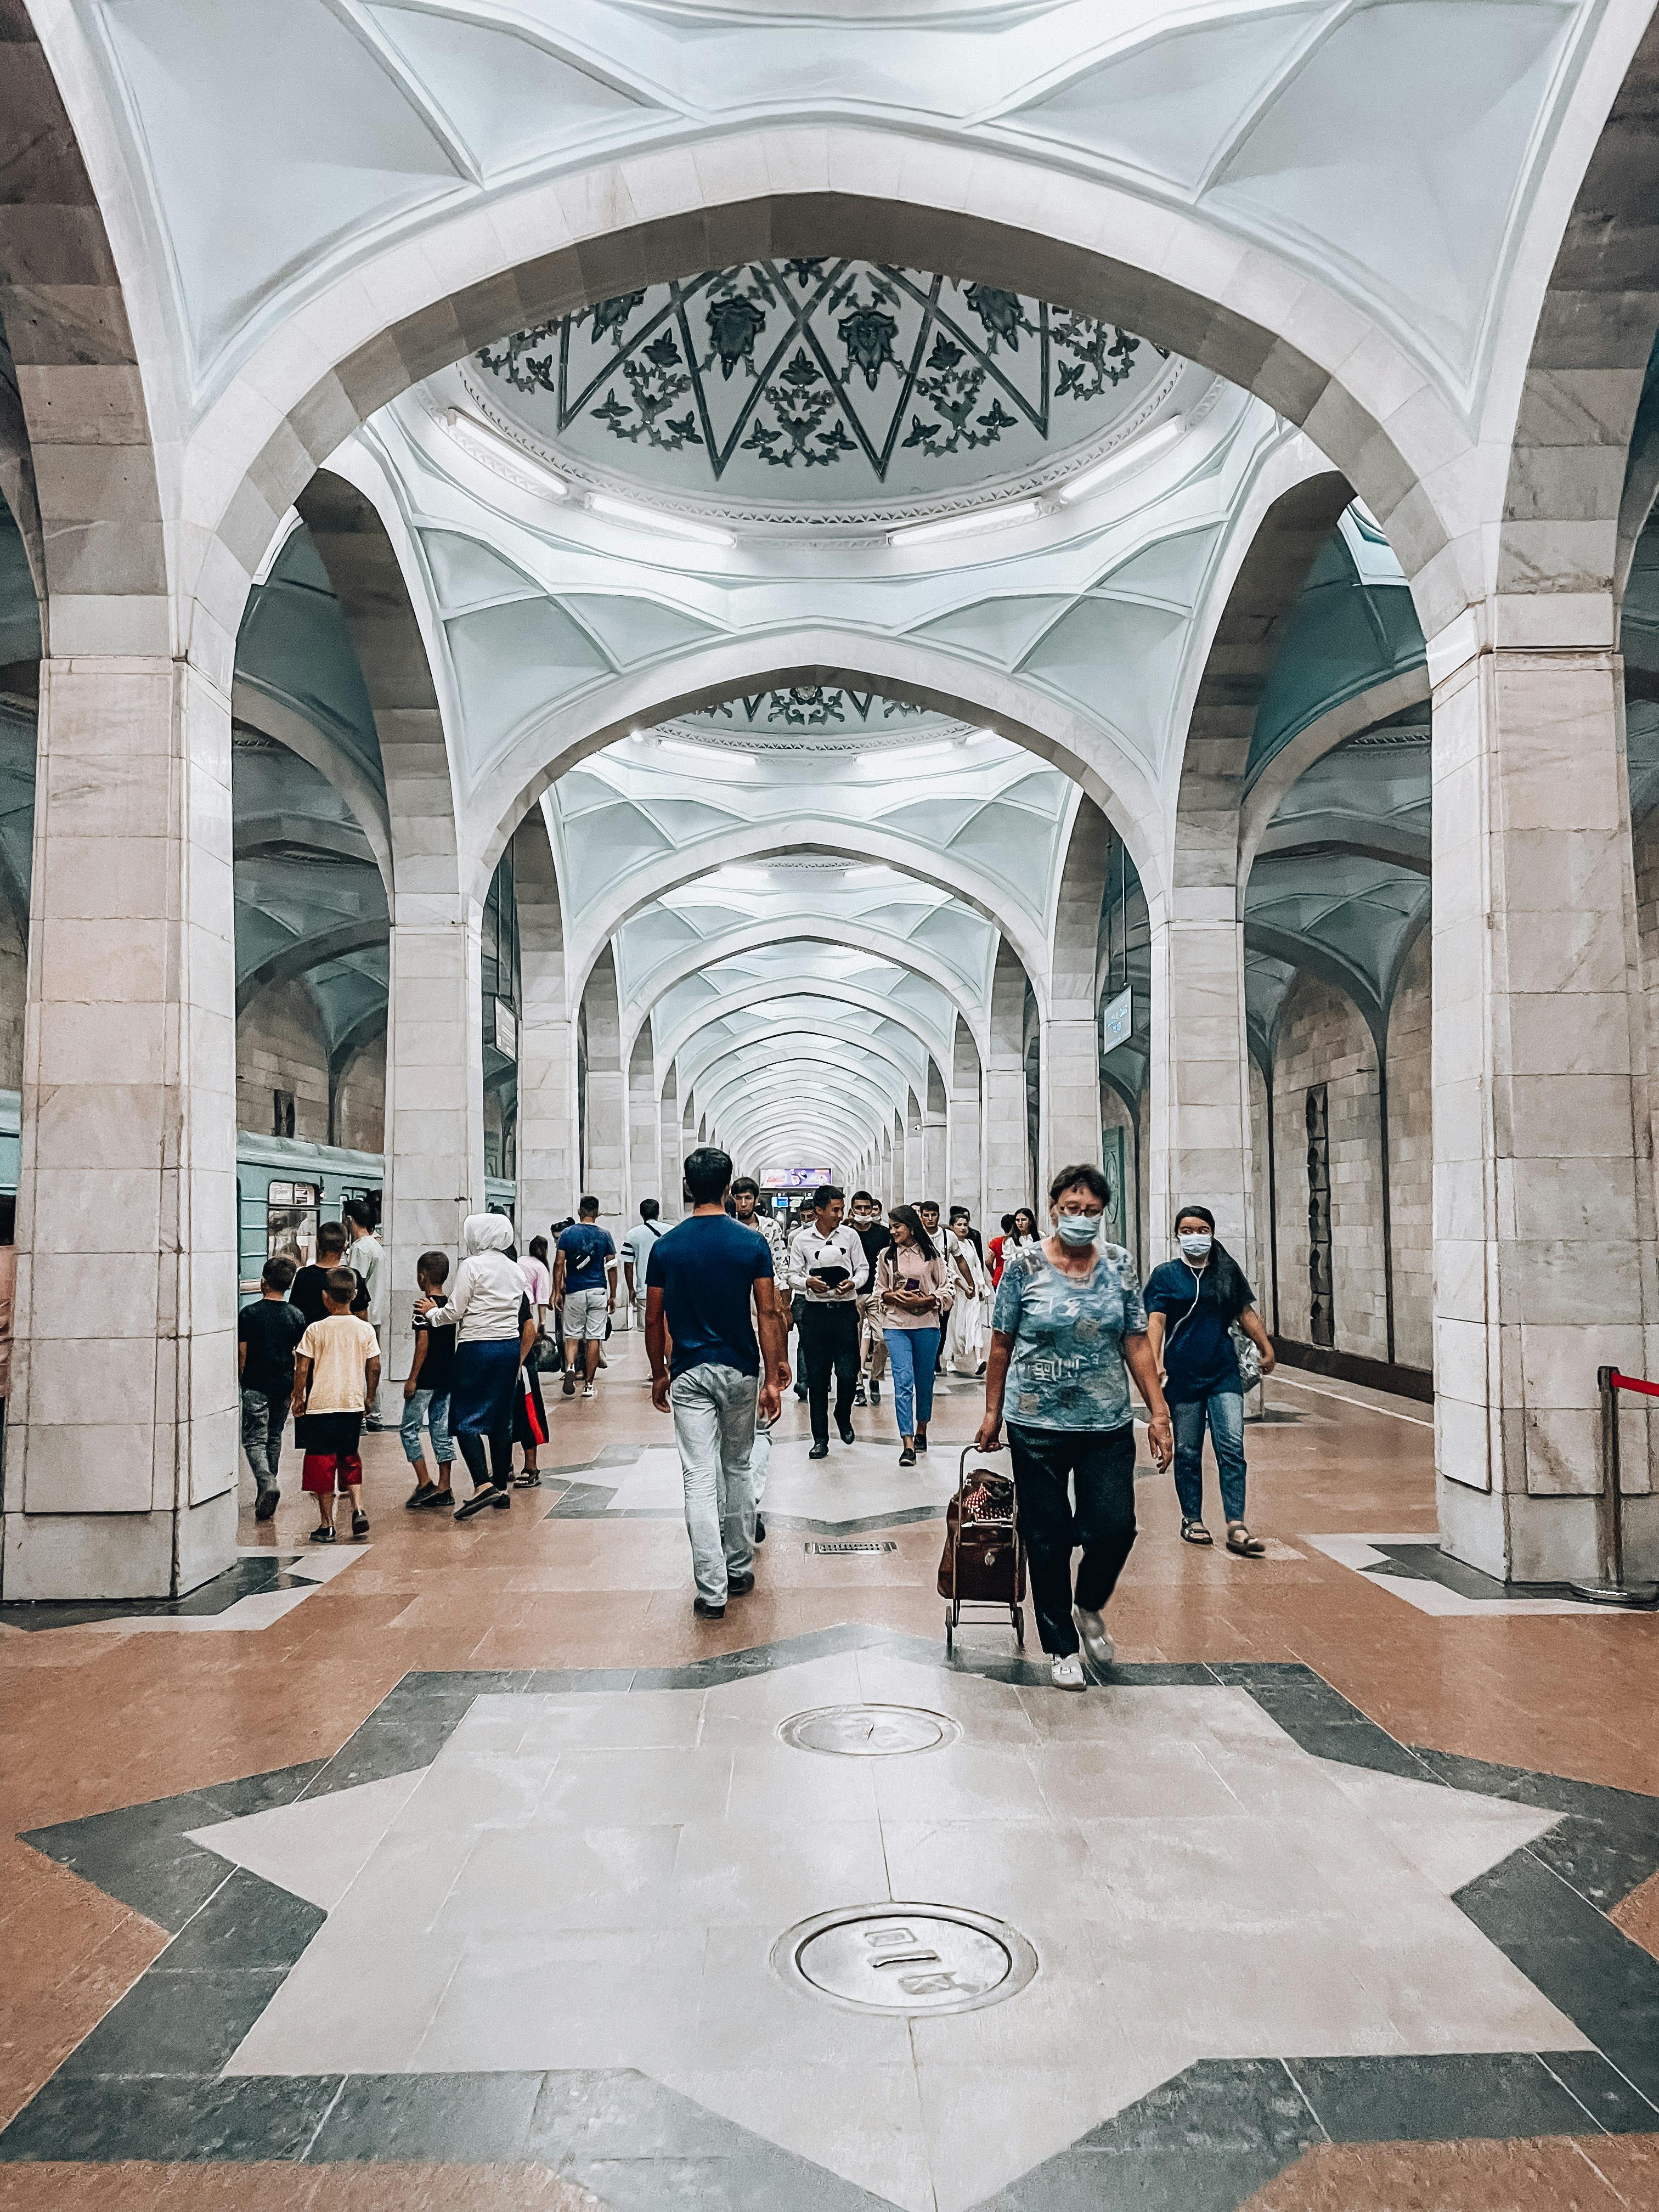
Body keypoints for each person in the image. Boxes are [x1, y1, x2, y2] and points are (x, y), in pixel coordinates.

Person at [975, 1164, 1173, 1692]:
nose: (1081, 1219)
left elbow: (1136, 1340)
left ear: (1102, 1213)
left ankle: (1088, 1605)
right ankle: (1060, 1643)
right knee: (1047, 1536)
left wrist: (1158, 1412)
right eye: (1071, 1209)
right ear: (1053, 1207)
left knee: (1114, 1527)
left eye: (1090, 1211)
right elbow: (1002, 1342)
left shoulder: (1120, 1265)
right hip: (1036, 1421)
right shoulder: (1024, 1265)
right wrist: (992, 1414)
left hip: (1105, 1418)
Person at [646, 1146, 788, 1618]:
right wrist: (774, 1373)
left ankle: (711, 1591)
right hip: (740, 1368)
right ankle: (739, 1566)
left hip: (688, 1372)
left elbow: (653, 1319)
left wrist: (658, 1373)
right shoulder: (750, 1243)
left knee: (698, 1478)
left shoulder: (666, 1246)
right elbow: (768, 1312)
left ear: (688, 1187)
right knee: (739, 1466)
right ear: (729, 1188)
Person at [1144, 1204, 1276, 1556]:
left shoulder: (1226, 1272)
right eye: (1187, 1230)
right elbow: (1156, 1322)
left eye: (1202, 1230)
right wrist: (1156, 1363)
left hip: (1223, 1373)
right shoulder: (1166, 1276)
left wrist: (1266, 1347)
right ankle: (1192, 1519)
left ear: (1212, 1233)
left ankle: (1236, 1523)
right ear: (1177, 1236)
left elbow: (1244, 1312)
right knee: (1188, 1451)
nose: (1195, 1236)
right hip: (1184, 1377)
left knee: (1231, 1446)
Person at [416, 1214, 528, 1521]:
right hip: (508, 1347)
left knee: (464, 1419)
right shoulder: (515, 1270)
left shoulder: (472, 1266)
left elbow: (455, 1311)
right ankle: (502, 1490)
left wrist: (432, 1313)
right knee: (501, 1419)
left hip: (476, 1348)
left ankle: (482, 1484)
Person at [291, 1267, 381, 1544]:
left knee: (322, 1462)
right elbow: (374, 1366)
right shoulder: (365, 1329)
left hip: (321, 1406)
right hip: (352, 1405)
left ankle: (327, 1524)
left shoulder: (315, 1330)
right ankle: (358, 1507)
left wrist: (299, 1396)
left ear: (325, 1297)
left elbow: (302, 1368)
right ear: (354, 1295)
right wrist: (369, 1397)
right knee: (349, 1456)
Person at [787, 1183, 869, 1459]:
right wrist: (807, 1282)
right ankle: (820, 1438)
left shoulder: (850, 1236)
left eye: (841, 1208)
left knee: (848, 1374)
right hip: (816, 1315)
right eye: (835, 1209)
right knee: (818, 1379)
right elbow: (792, 1274)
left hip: (845, 1313)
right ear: (819, 1210)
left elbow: (863, 1268)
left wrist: (853, 1283)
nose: (840, 1214)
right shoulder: (801, 1240)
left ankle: (842, 1414)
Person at [873, 1205, 955, 1465]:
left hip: (927, 1324)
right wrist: (892, 1296)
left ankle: (922, 1429)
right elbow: (879, 1289)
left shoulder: (931, 1255)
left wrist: (930, 1300)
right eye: (891, 1226)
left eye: (897, 1226)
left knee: (924, 1380)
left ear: (910, 1227)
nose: (893, 1231)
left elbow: (947, 1289)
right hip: (896, 1325)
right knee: (903, 1380)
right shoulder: (886, 1256)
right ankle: (907, 1442)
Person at [239, 1254, 306, 1523]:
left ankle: (266, 1483)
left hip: (256, 1383)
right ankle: (269, 1485)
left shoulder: (250, 1314)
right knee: (275, 1436)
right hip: (284, 1385)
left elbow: (242, 1354)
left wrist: (242, 1380)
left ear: (264, 1282)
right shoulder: (296, 1315)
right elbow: (300, 1357)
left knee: (254, 1439)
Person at [403, 1249, 456, 1509]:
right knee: (441, 1430)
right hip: (447, 1377)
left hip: (425, 1379)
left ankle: (425, 1482)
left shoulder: (421, 1307)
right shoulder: (451, 1305)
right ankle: (445, 1485)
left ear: (422, 1277)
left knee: (409, 1429)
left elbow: (422, 1344)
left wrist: (412, 1378)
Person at [555, 1197, 616, 1398]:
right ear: (597, 1213)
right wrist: (613, 1295)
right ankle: (589, 1385)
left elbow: (559, 1263)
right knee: (593, 1338)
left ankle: (571, 1367)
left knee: (572, 1336)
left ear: (580, 1211)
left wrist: (557, 1291)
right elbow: (612, 1266)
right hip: (598, 1290)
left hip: (574, 1292)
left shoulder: (567, 1234)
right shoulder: (604, 1235)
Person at [342, 1198, 387, 1427]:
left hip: (363, 1314)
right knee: (373, 1363)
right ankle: (375, 1414)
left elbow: (353, 1284)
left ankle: (361, 1415)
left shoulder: (360, 1248)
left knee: (360, 1365)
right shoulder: (375, 1245)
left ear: (350, 1219)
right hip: (376, 1313)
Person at [848, 1190, 893, 1408]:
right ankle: (858, 1386)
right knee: (853, 1342)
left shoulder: (883, 1233)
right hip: (852, 1293)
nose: (864, 1212)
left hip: (876, 1292)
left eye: (867, 1208)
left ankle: (875, 1377)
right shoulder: (845, 1233)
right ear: (853, 1209)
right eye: (860, 1208)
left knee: (883, 1337)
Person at [945, 1205, 991, 1376]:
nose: (963, 1228)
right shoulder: (949, 1245)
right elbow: (951, 1270)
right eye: (960, 1225)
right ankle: (950, 1359)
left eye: (965, 1225)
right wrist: (963, 1286)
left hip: (973, 1292)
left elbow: (977, 1265)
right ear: (952, 1227)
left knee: (976, 1323)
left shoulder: (971, 1243)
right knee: (957, 1326)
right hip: (957, 1292)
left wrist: (980, 1285)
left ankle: (979, 1359)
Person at [290, 1221, 359, 1325]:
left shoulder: (304, 1276)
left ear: (318, 1244)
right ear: (345, 1246)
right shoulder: (352, 1276)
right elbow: (362, 1315)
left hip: (311, 1338)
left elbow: (295, 1313)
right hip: (345, 1338)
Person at [620, 1199, 664, 1330]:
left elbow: (628, 1264)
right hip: (668, 1289)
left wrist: (631, 1288)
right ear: (658, 1212)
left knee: (647, 1332)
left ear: (641, 1214)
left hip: (645, 1291)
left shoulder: (632, 1235)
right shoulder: (672, 1231)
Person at [988, 1212, 1015, 1286]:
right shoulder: (1019, 1242)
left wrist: (994, 1274)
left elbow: (988, 1262)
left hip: (999, 1276)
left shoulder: (995, 1242)